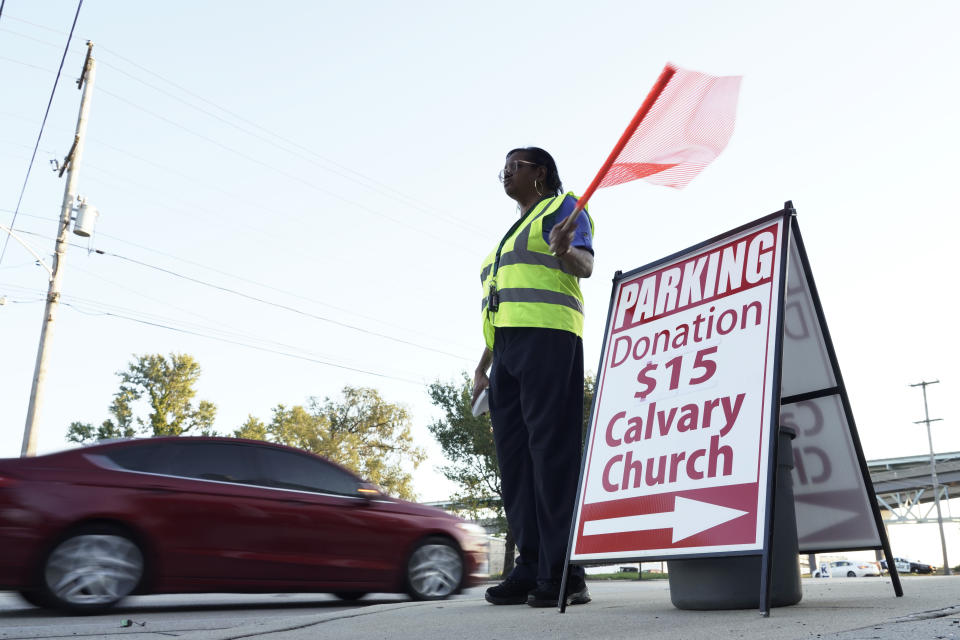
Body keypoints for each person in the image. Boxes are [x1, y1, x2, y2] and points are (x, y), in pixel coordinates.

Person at [474, 147, 594, 608]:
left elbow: (585, 264)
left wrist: (567, 250)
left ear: (539, 172)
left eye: (514, 165)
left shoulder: (562, 208)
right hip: (506, 353)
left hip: (550, 340)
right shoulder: (506, 238)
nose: (504, 173)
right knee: (517, 466)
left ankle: (566, 572)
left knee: (551, 455)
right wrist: (484, 366)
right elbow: (504, 305)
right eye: (501, 167)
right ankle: (530, 565)